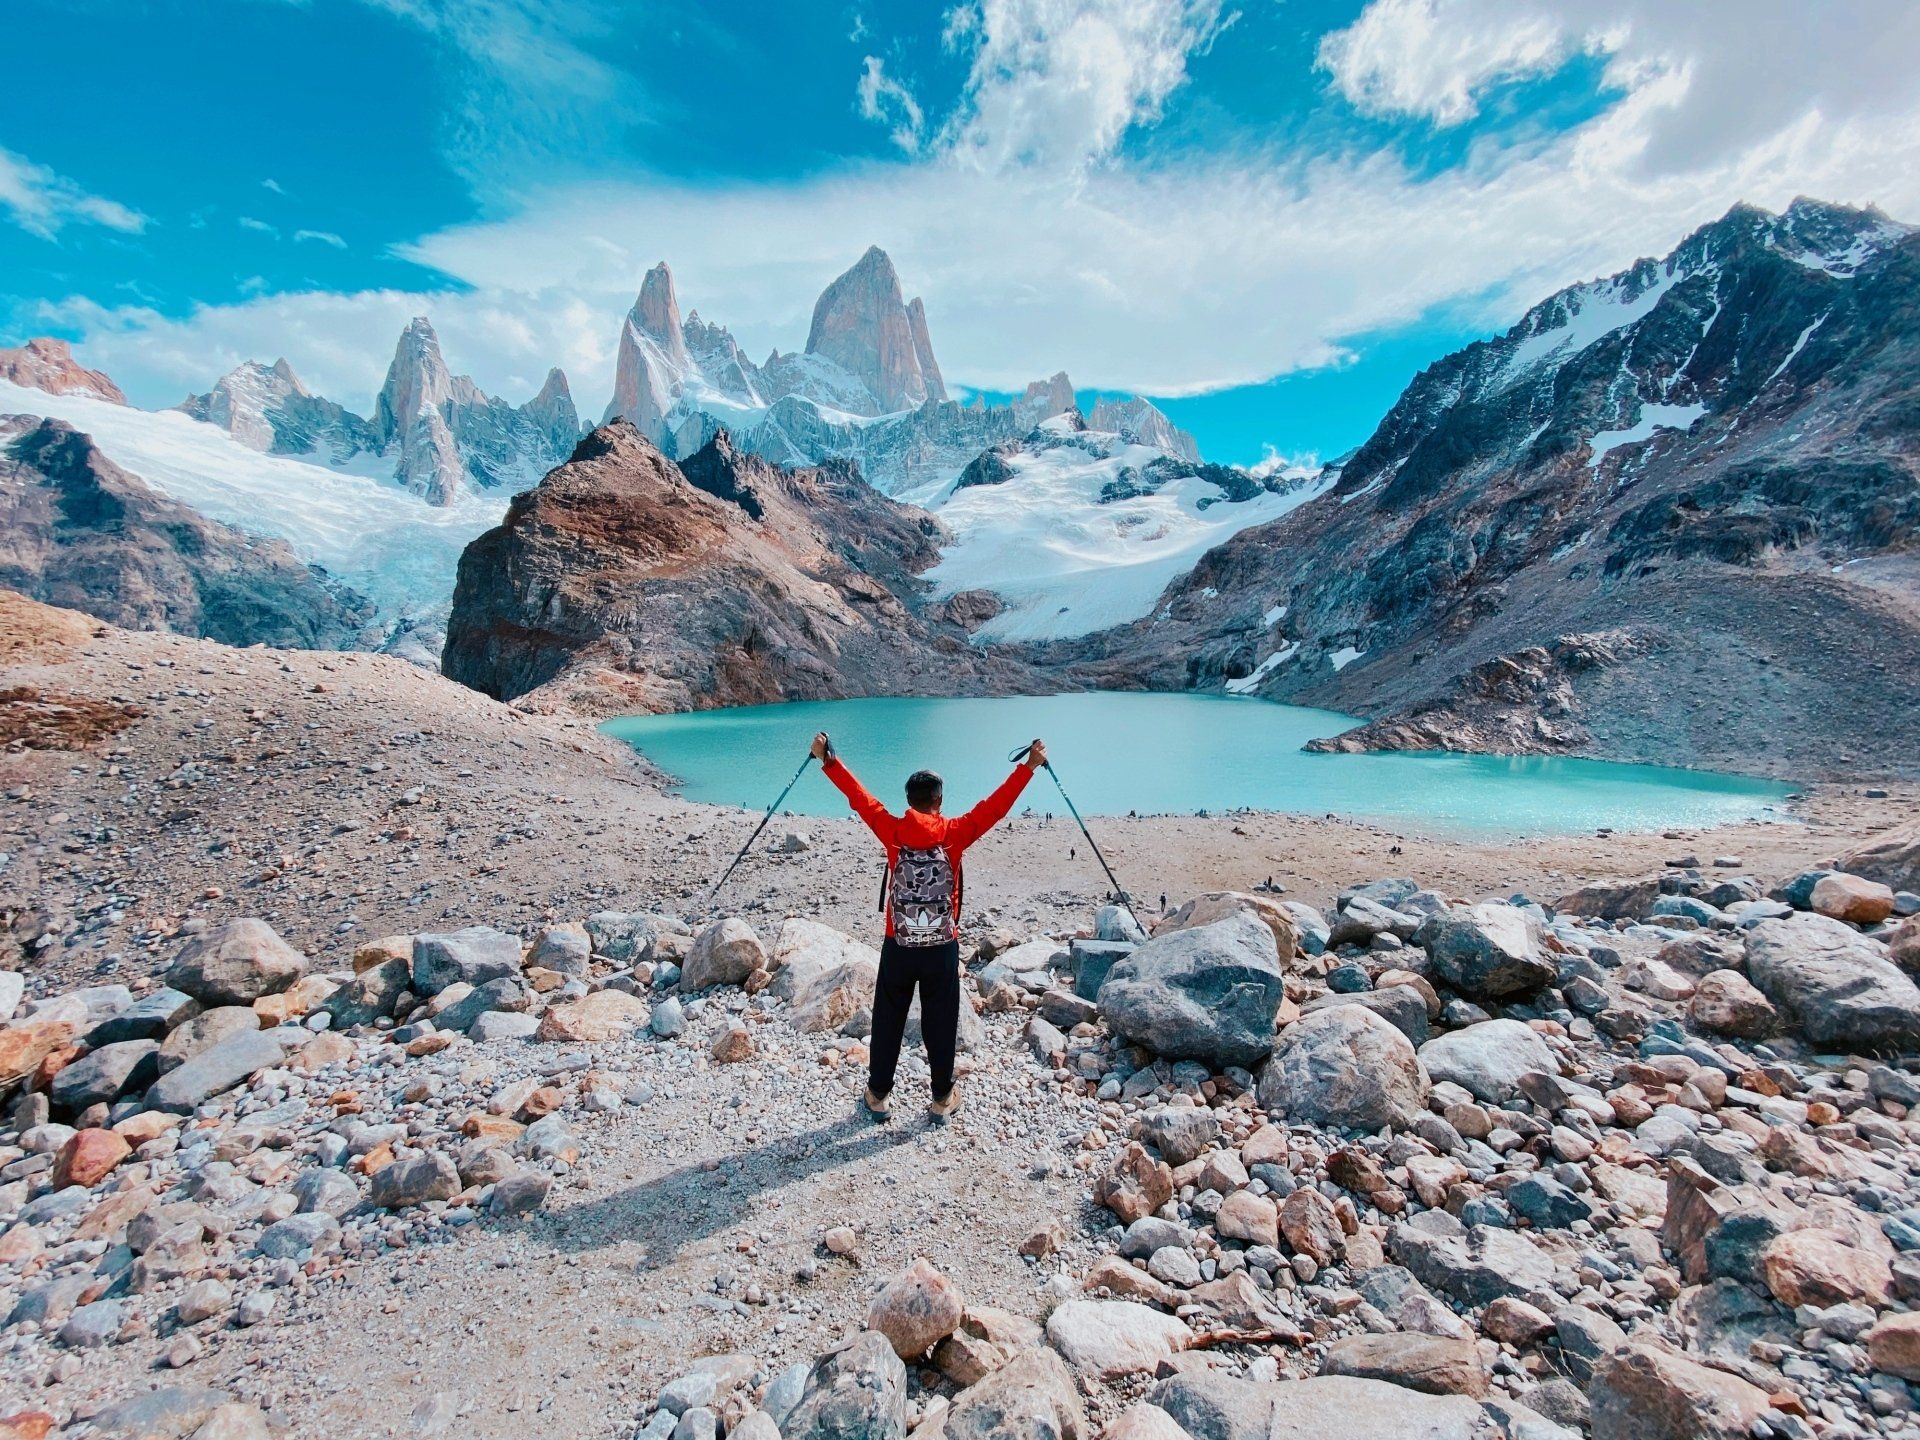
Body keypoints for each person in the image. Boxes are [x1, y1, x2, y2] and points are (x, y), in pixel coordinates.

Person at [812, 731, 1044, 1121]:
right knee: (940, 1021)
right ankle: (941, 1098)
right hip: (940, 944)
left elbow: (860, 799)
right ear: (939, 801)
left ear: (908, 802)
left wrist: (828, 761)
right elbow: (995, 807)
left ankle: (878, 1094)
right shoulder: (954, 834)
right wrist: (1029, 767)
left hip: (898, 942)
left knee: (889, 1019)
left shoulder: (893, 831)